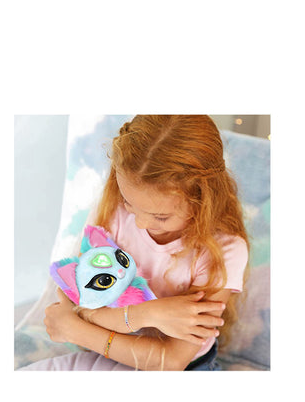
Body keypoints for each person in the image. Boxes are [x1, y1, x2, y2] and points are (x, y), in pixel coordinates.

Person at [21, 115, 249, 371]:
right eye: (129, 202)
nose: (140, 223)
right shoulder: (113, 210)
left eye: (161, 217)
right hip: (106, 353)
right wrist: (149, 314)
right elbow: (76, 297)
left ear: (203, 200)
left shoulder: (224, 250)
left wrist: (79, 329)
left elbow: (172, 360)